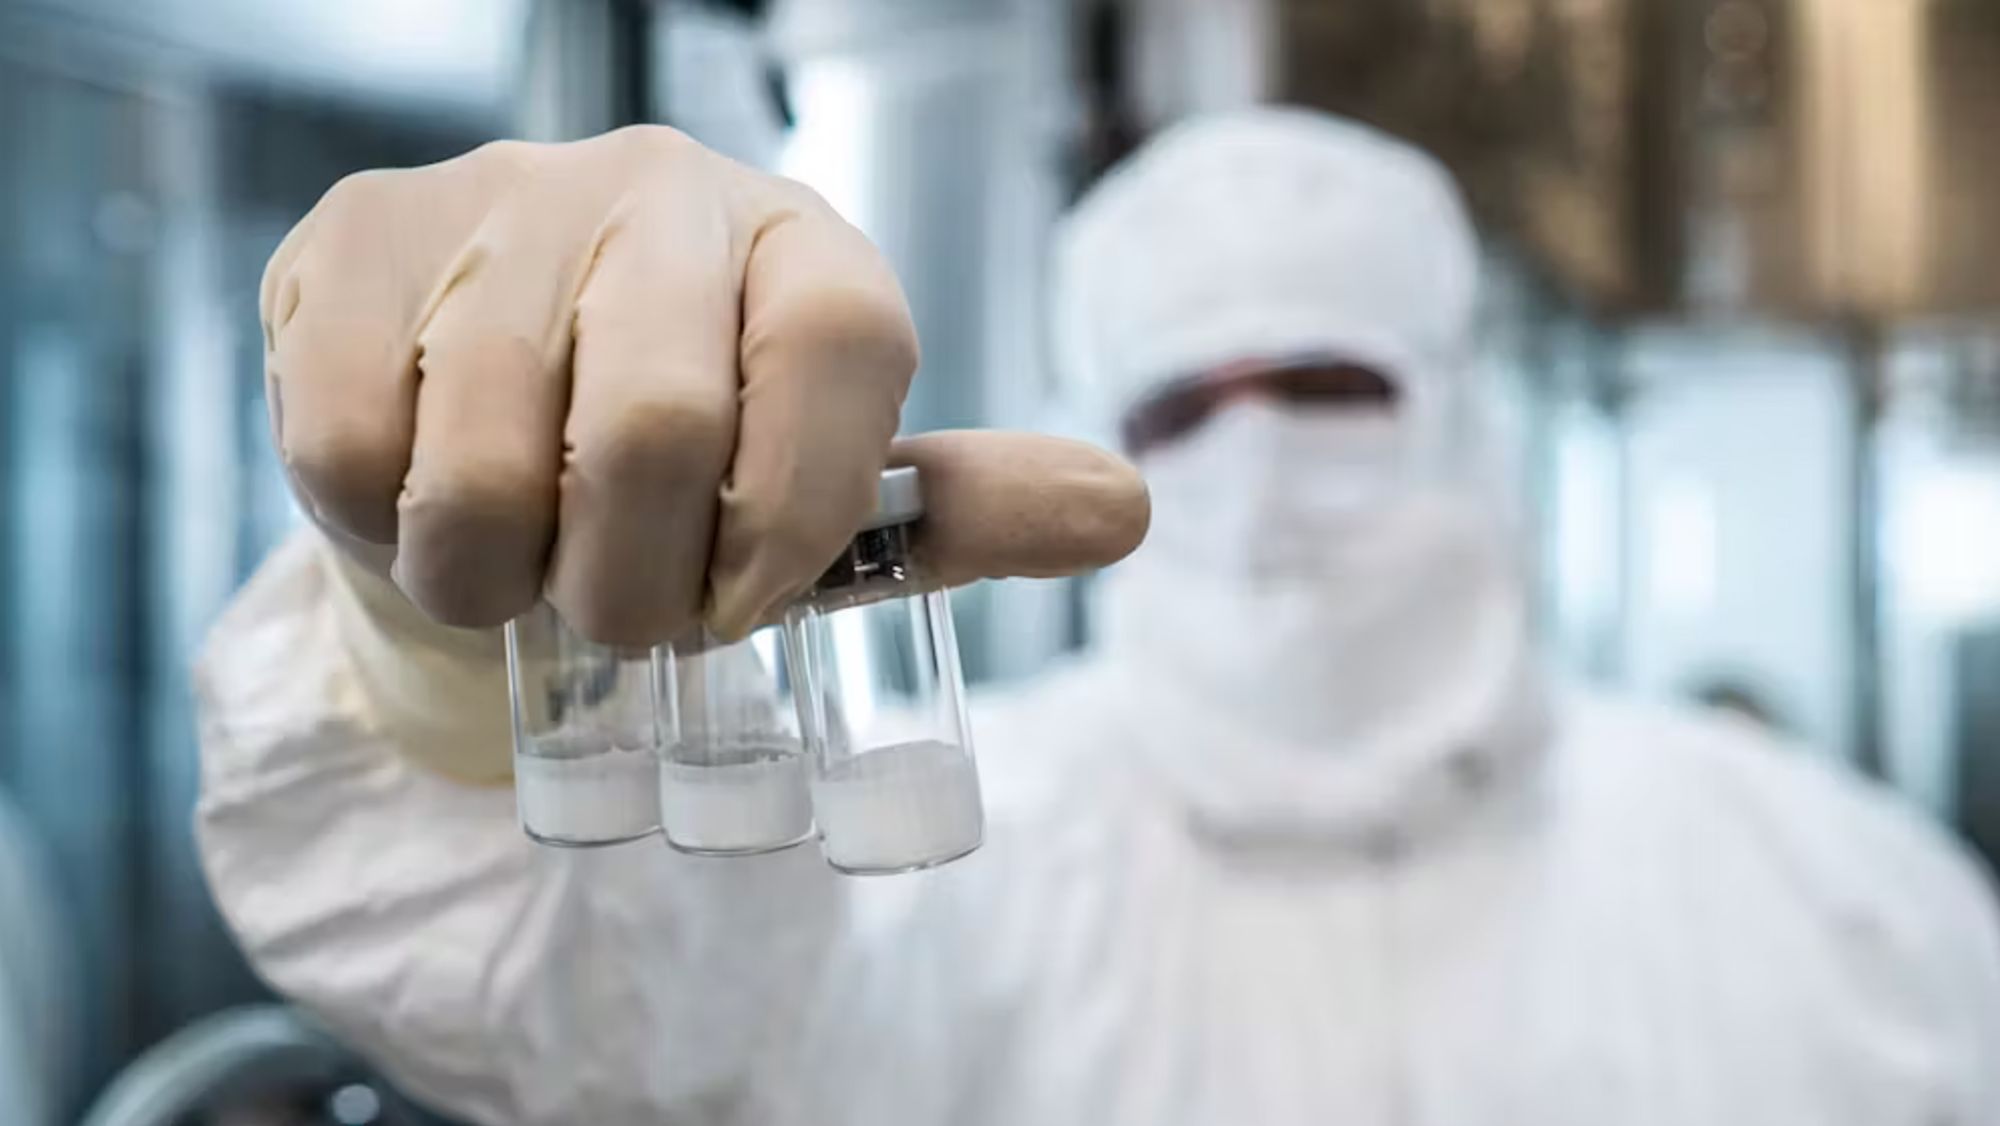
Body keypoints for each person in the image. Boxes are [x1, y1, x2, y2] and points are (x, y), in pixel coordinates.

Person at [195, 110, 2000, 1125]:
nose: (1264, 455)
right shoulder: (923, 873)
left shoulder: (1835, 894)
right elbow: (586, 1024)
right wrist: (449, 653)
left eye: (1330, 379)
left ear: (1459, 404)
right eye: (1181, 408)